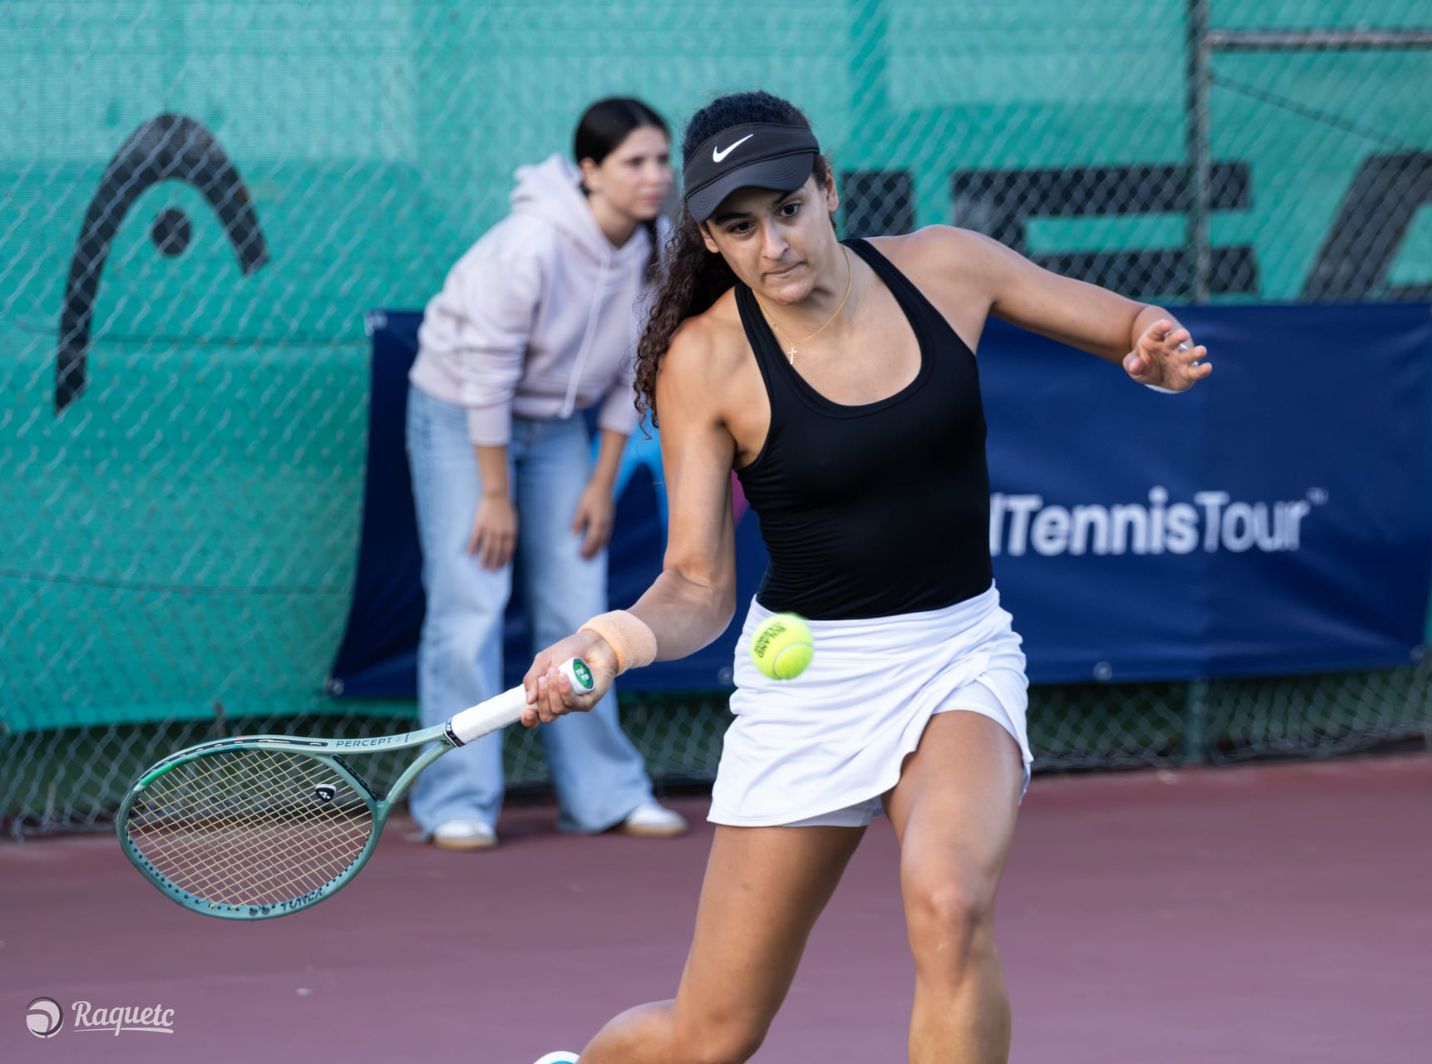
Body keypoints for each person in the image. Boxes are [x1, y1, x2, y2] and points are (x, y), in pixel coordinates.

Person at [520, 91, 1211, 1062]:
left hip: (955, 654)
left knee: (950, 899)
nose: (774, 245)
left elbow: (1126, 323)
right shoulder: (705, 360)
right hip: (809, 691)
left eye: (789, 209)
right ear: (711, 241)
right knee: (709, 1036)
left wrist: (1150, 345)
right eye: (740, 226)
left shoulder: (947, 268)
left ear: (830, 188)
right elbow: (696, 584)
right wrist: (610, 638)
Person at [404, 97, 687, 850]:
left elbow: (639, 364)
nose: (655, 176)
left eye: (662, 160)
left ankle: (604, 793)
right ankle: (456, 801)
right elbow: (485, 377)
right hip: (461, 416)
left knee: (580, 605)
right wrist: (495, 495)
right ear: (590, 171)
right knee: (470, 602)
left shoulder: (658, 244)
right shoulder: (533, 244)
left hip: (564, 430)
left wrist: (602, 480)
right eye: (634, 162)